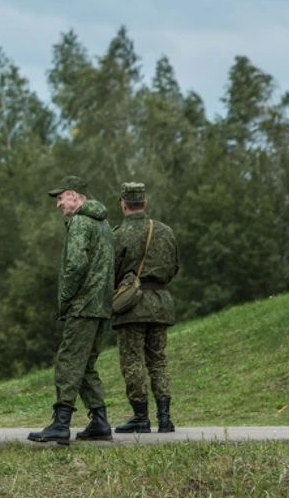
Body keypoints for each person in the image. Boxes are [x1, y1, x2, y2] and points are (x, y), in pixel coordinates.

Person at [28, 176, 114, 445]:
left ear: (75, 196)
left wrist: (65, 298)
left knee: (68, 361)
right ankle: (99, 421)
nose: (58, 204)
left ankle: (61, 423)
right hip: (102, 306)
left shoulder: (80, 222)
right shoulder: (104, 224)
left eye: (61, 197)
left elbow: (76, 265)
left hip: (84, 304)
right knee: (86, 364)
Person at [111, 182, 180, 434]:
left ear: (123, 203)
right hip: (161, 303)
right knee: (158, 361)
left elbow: (111, 271)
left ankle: (140, 417)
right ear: (145, 203)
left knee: (133, 361)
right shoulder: (165, 231)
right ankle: (165, 418)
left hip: (131, 307)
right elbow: (174, 268)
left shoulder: (118, 234)